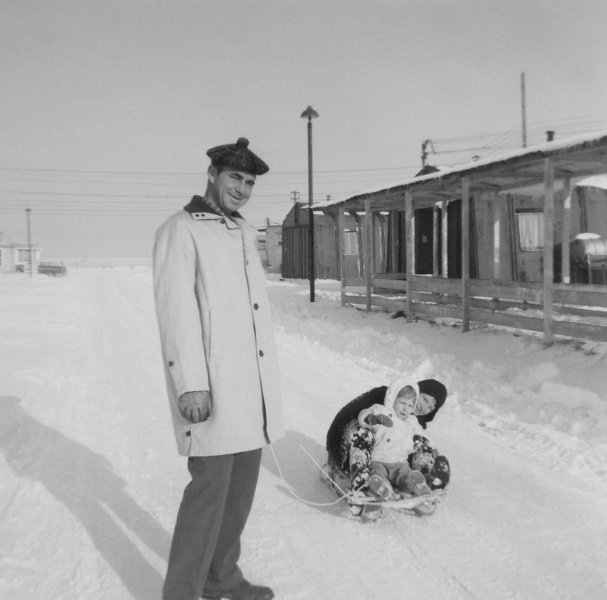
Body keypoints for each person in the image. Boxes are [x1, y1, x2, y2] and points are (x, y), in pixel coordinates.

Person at [153, 137, 284, 600]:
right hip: (210, 386)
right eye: (235, 177)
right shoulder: (181, 229)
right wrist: (190, 384)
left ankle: (221, 578)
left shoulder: (244, 233)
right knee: (208, 496)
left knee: (239, 495)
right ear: (212, 174)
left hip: (251, 389)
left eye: (249, 182)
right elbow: (177, 312)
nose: (243, 188)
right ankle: (182, 593)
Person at [325, 378, 450, 511]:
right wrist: (336, 456)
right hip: (352, 448)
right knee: (363, 432)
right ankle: (361, 479)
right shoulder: (382, 400)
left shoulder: (412, 420)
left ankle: (423, 480)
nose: (425, 408)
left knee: (420, 443)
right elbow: (351, 415)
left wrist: (430, 451)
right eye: (425, 399)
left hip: (394, 460)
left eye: (431, 407)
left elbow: (421, 439)